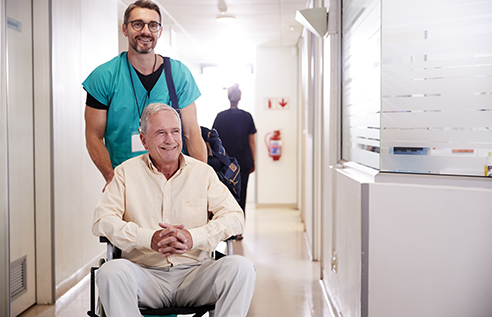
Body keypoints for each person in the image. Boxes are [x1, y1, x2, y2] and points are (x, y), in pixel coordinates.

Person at [92, 103, 256, 317]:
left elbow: (235, 217)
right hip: (144, 275)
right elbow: (102, 220)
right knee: (110, 272)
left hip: (196, 275)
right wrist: (147, 238)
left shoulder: (203, 173)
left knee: (241, 268)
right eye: (160, 133)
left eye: (175, 131)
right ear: (144, 140)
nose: (170, 140)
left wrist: (193, 237)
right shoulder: (124, 174)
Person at [83, 0, 206, 191]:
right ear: (125, 29)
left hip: (174, 181)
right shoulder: (104, 76)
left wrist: (201, 181)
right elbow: (93, 136)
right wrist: (111, 177)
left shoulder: (178, 74)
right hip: (126, 181)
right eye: (137, 24)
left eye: (153, 25)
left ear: (160, 31)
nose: (146, 31)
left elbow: (191, 132)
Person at [213, 84, 256, 236]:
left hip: (224, 164)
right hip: (243, 162)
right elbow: (252, 141)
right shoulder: (247, 116)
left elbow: (214, 141)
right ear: (240, 98)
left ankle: (227, 231)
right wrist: (254, 161)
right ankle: (238, 231)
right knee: (242, 194)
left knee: (225, 196)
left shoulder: (220, 117)